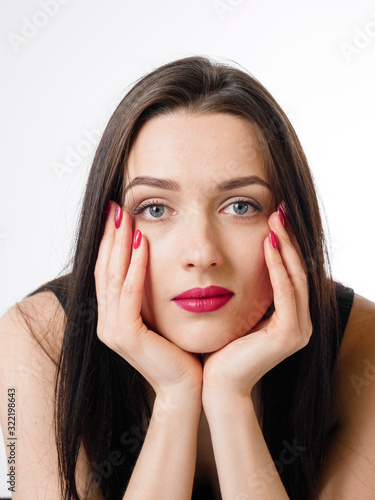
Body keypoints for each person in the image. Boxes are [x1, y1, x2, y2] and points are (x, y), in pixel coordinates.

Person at [1, 55, 374, 500]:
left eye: (240, 206)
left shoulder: (361, 348)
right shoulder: (35, 341)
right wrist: (176, 397)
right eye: (155, 209)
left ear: (289, 219)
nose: (201, 254)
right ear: (110, 224)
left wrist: (230, 398)